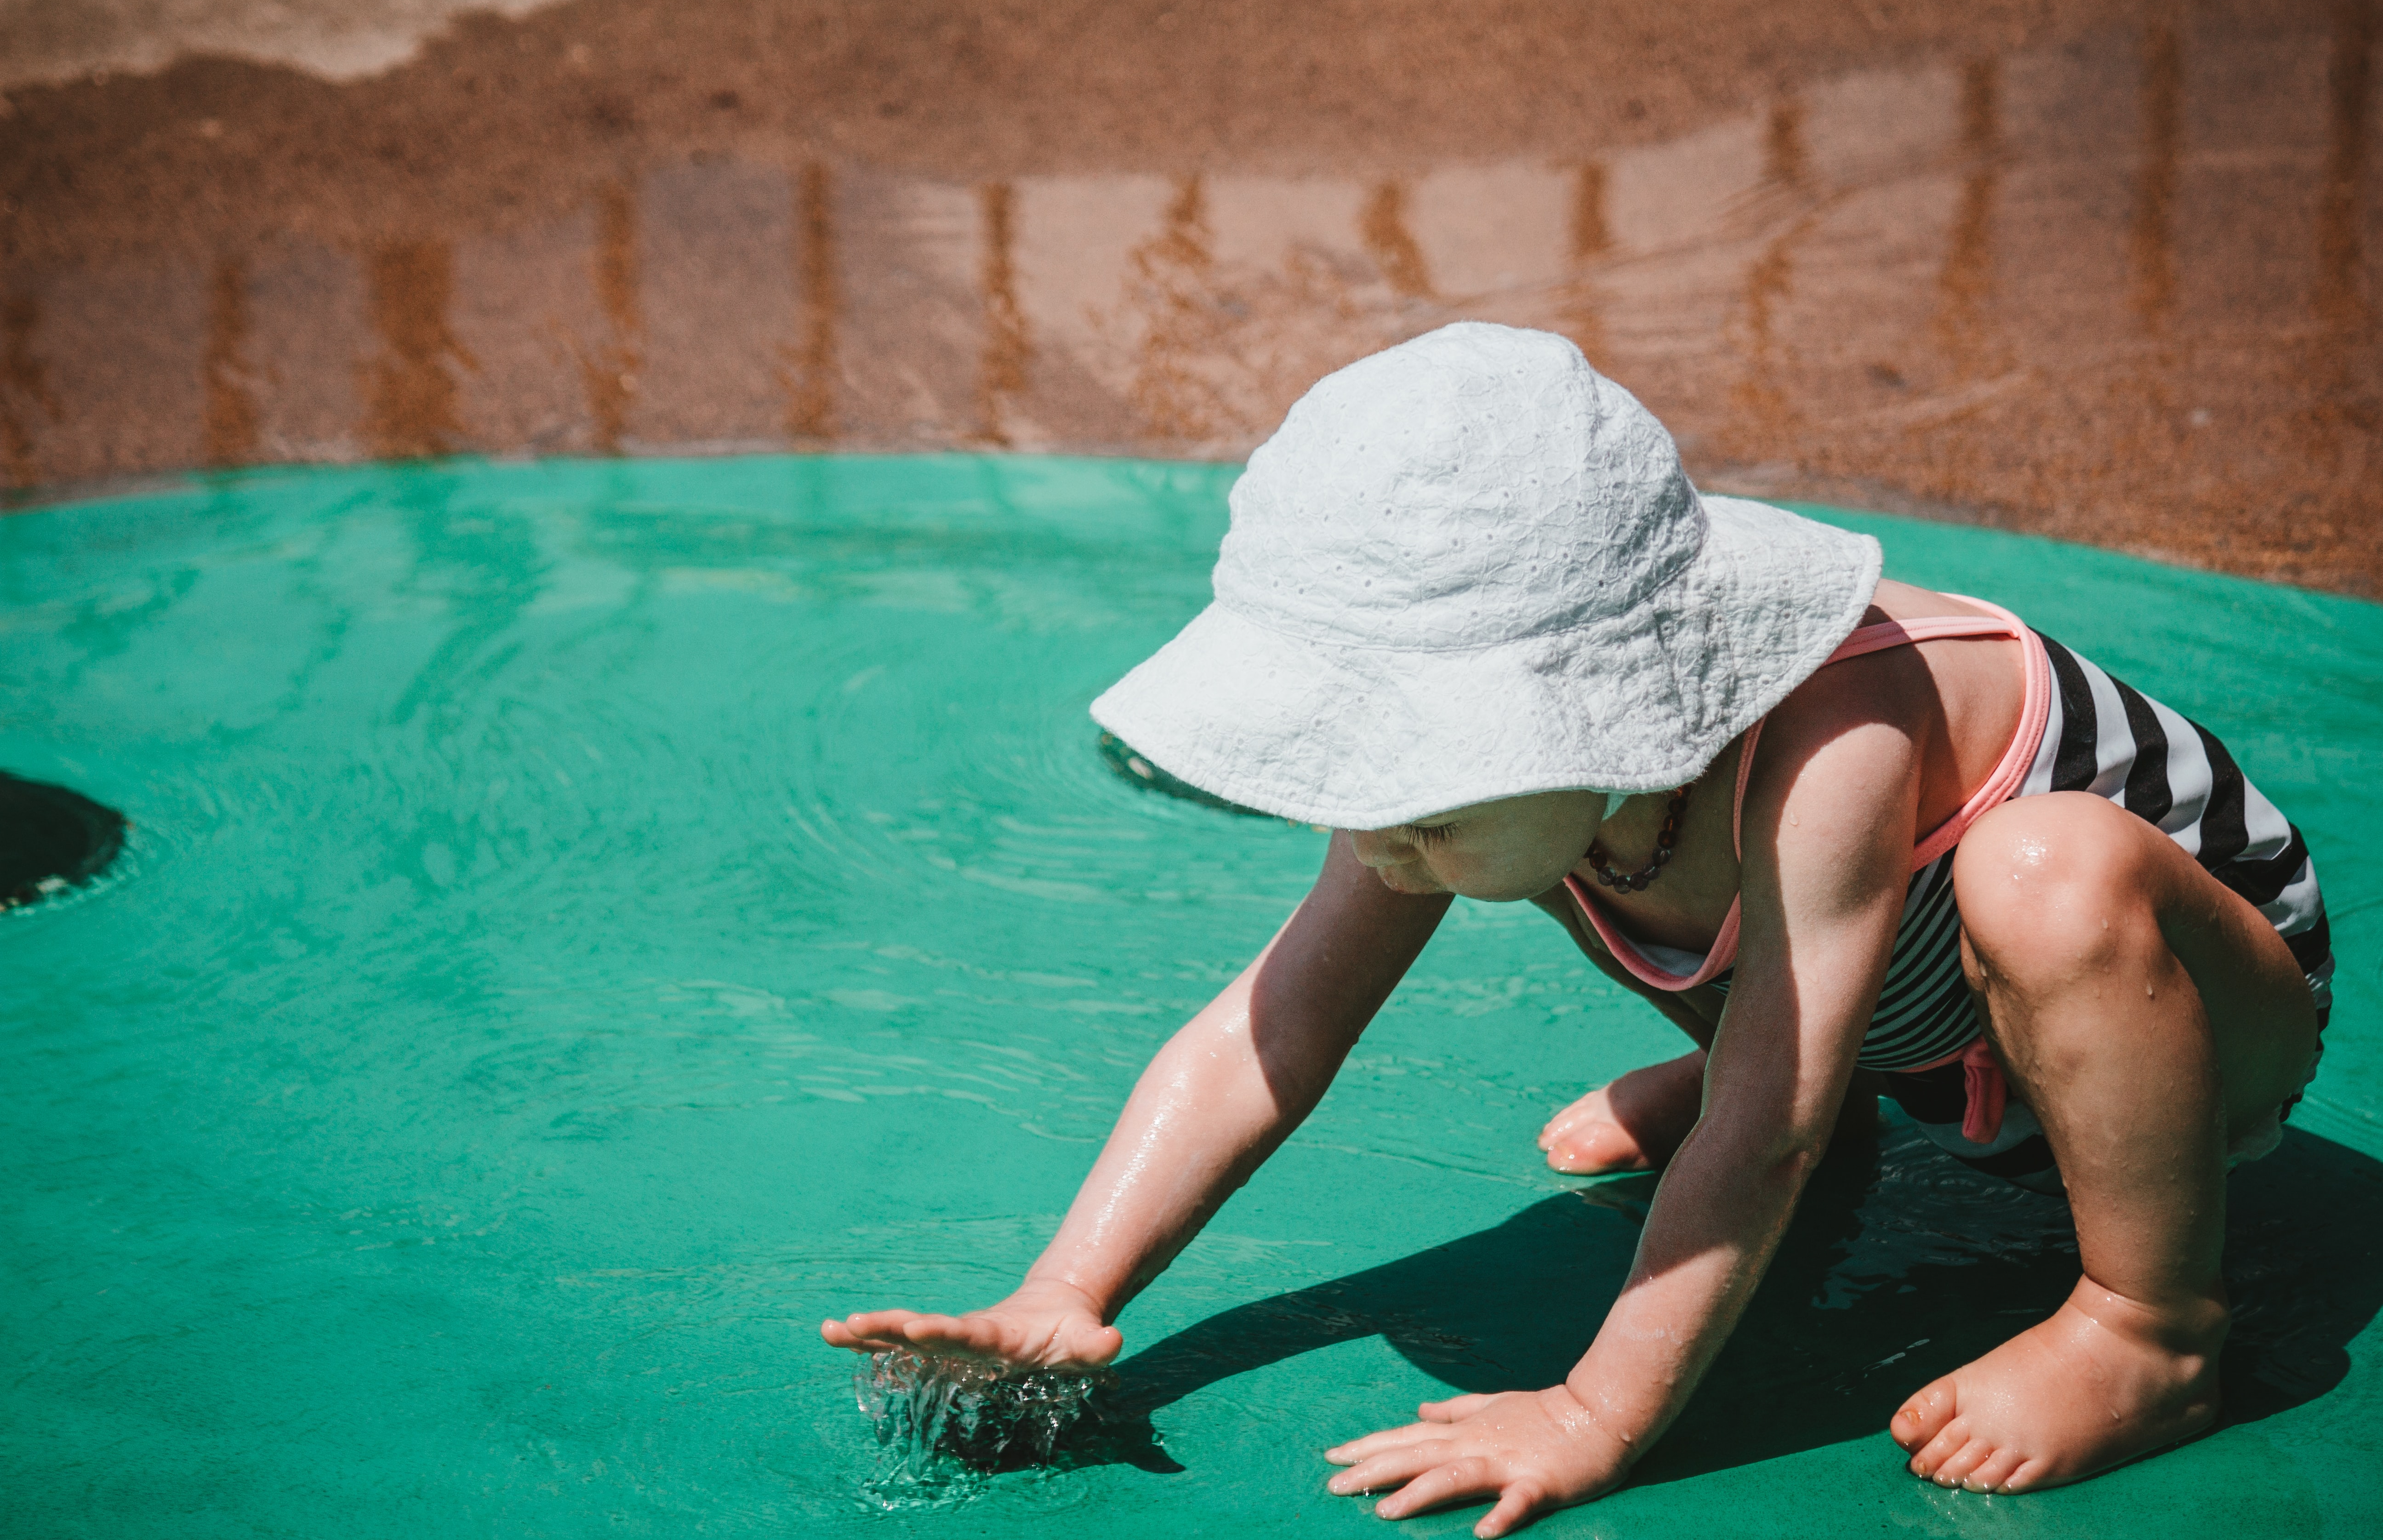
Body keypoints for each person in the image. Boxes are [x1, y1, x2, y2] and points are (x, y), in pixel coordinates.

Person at [822, 324, 2332, 1534]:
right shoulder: (1502, 792)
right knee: (1530, 871)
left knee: (2038, 872)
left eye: (1414, 770)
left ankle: (2150, 1324)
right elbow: (1266, 1028)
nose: (1381, 823)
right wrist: (1060, 1293)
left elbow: (1767, 1146)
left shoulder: (1838, 736)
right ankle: (1813, 1051)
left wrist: (1596, 1411)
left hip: (2196, 1025)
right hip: (1921, 1023)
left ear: (1607, 711)